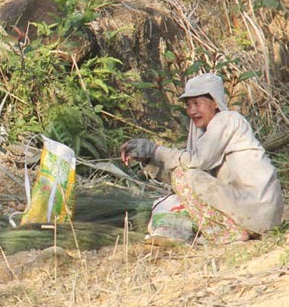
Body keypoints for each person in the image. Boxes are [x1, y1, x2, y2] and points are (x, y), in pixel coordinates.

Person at [121, 73, 284, 244]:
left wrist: (155, 150)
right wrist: (148, 159)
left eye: (197, 104)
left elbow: (195, 165)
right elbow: (189, 177)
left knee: (184, 176)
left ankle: (231, 234)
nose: (192, 111)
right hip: (254, 212)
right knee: (180, 184)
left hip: (258, 210)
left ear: (214, 103)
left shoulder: (227, 119)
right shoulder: (211, 131)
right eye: (189, 105)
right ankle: (233, 231)